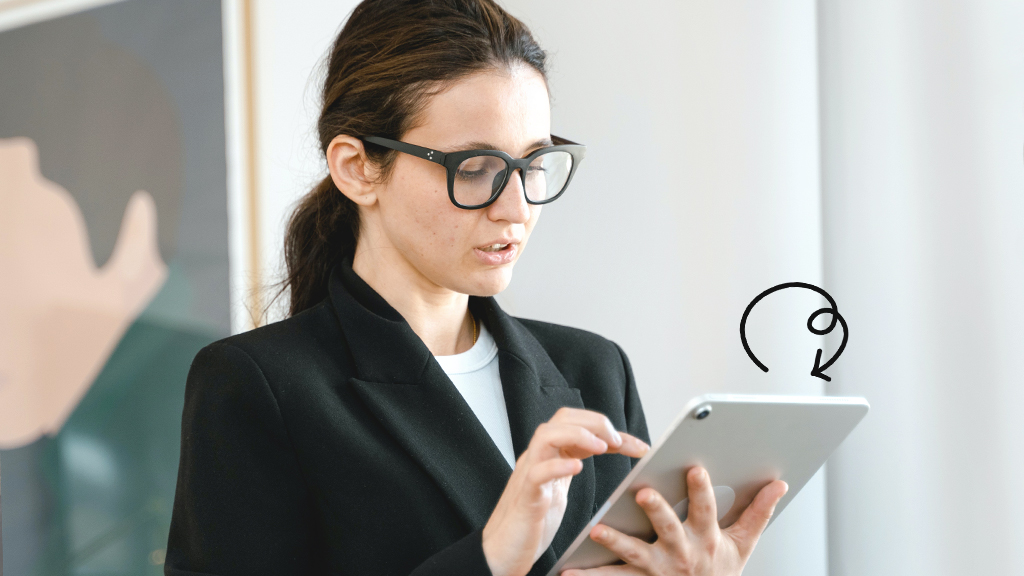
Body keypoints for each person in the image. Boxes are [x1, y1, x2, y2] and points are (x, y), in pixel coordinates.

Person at [165, 1, 788, 575]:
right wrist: (492, 556)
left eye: (532, 164)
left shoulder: (595, 370)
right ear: (358, 169)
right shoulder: (258, 385)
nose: (516, 209)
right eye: (477, 168)